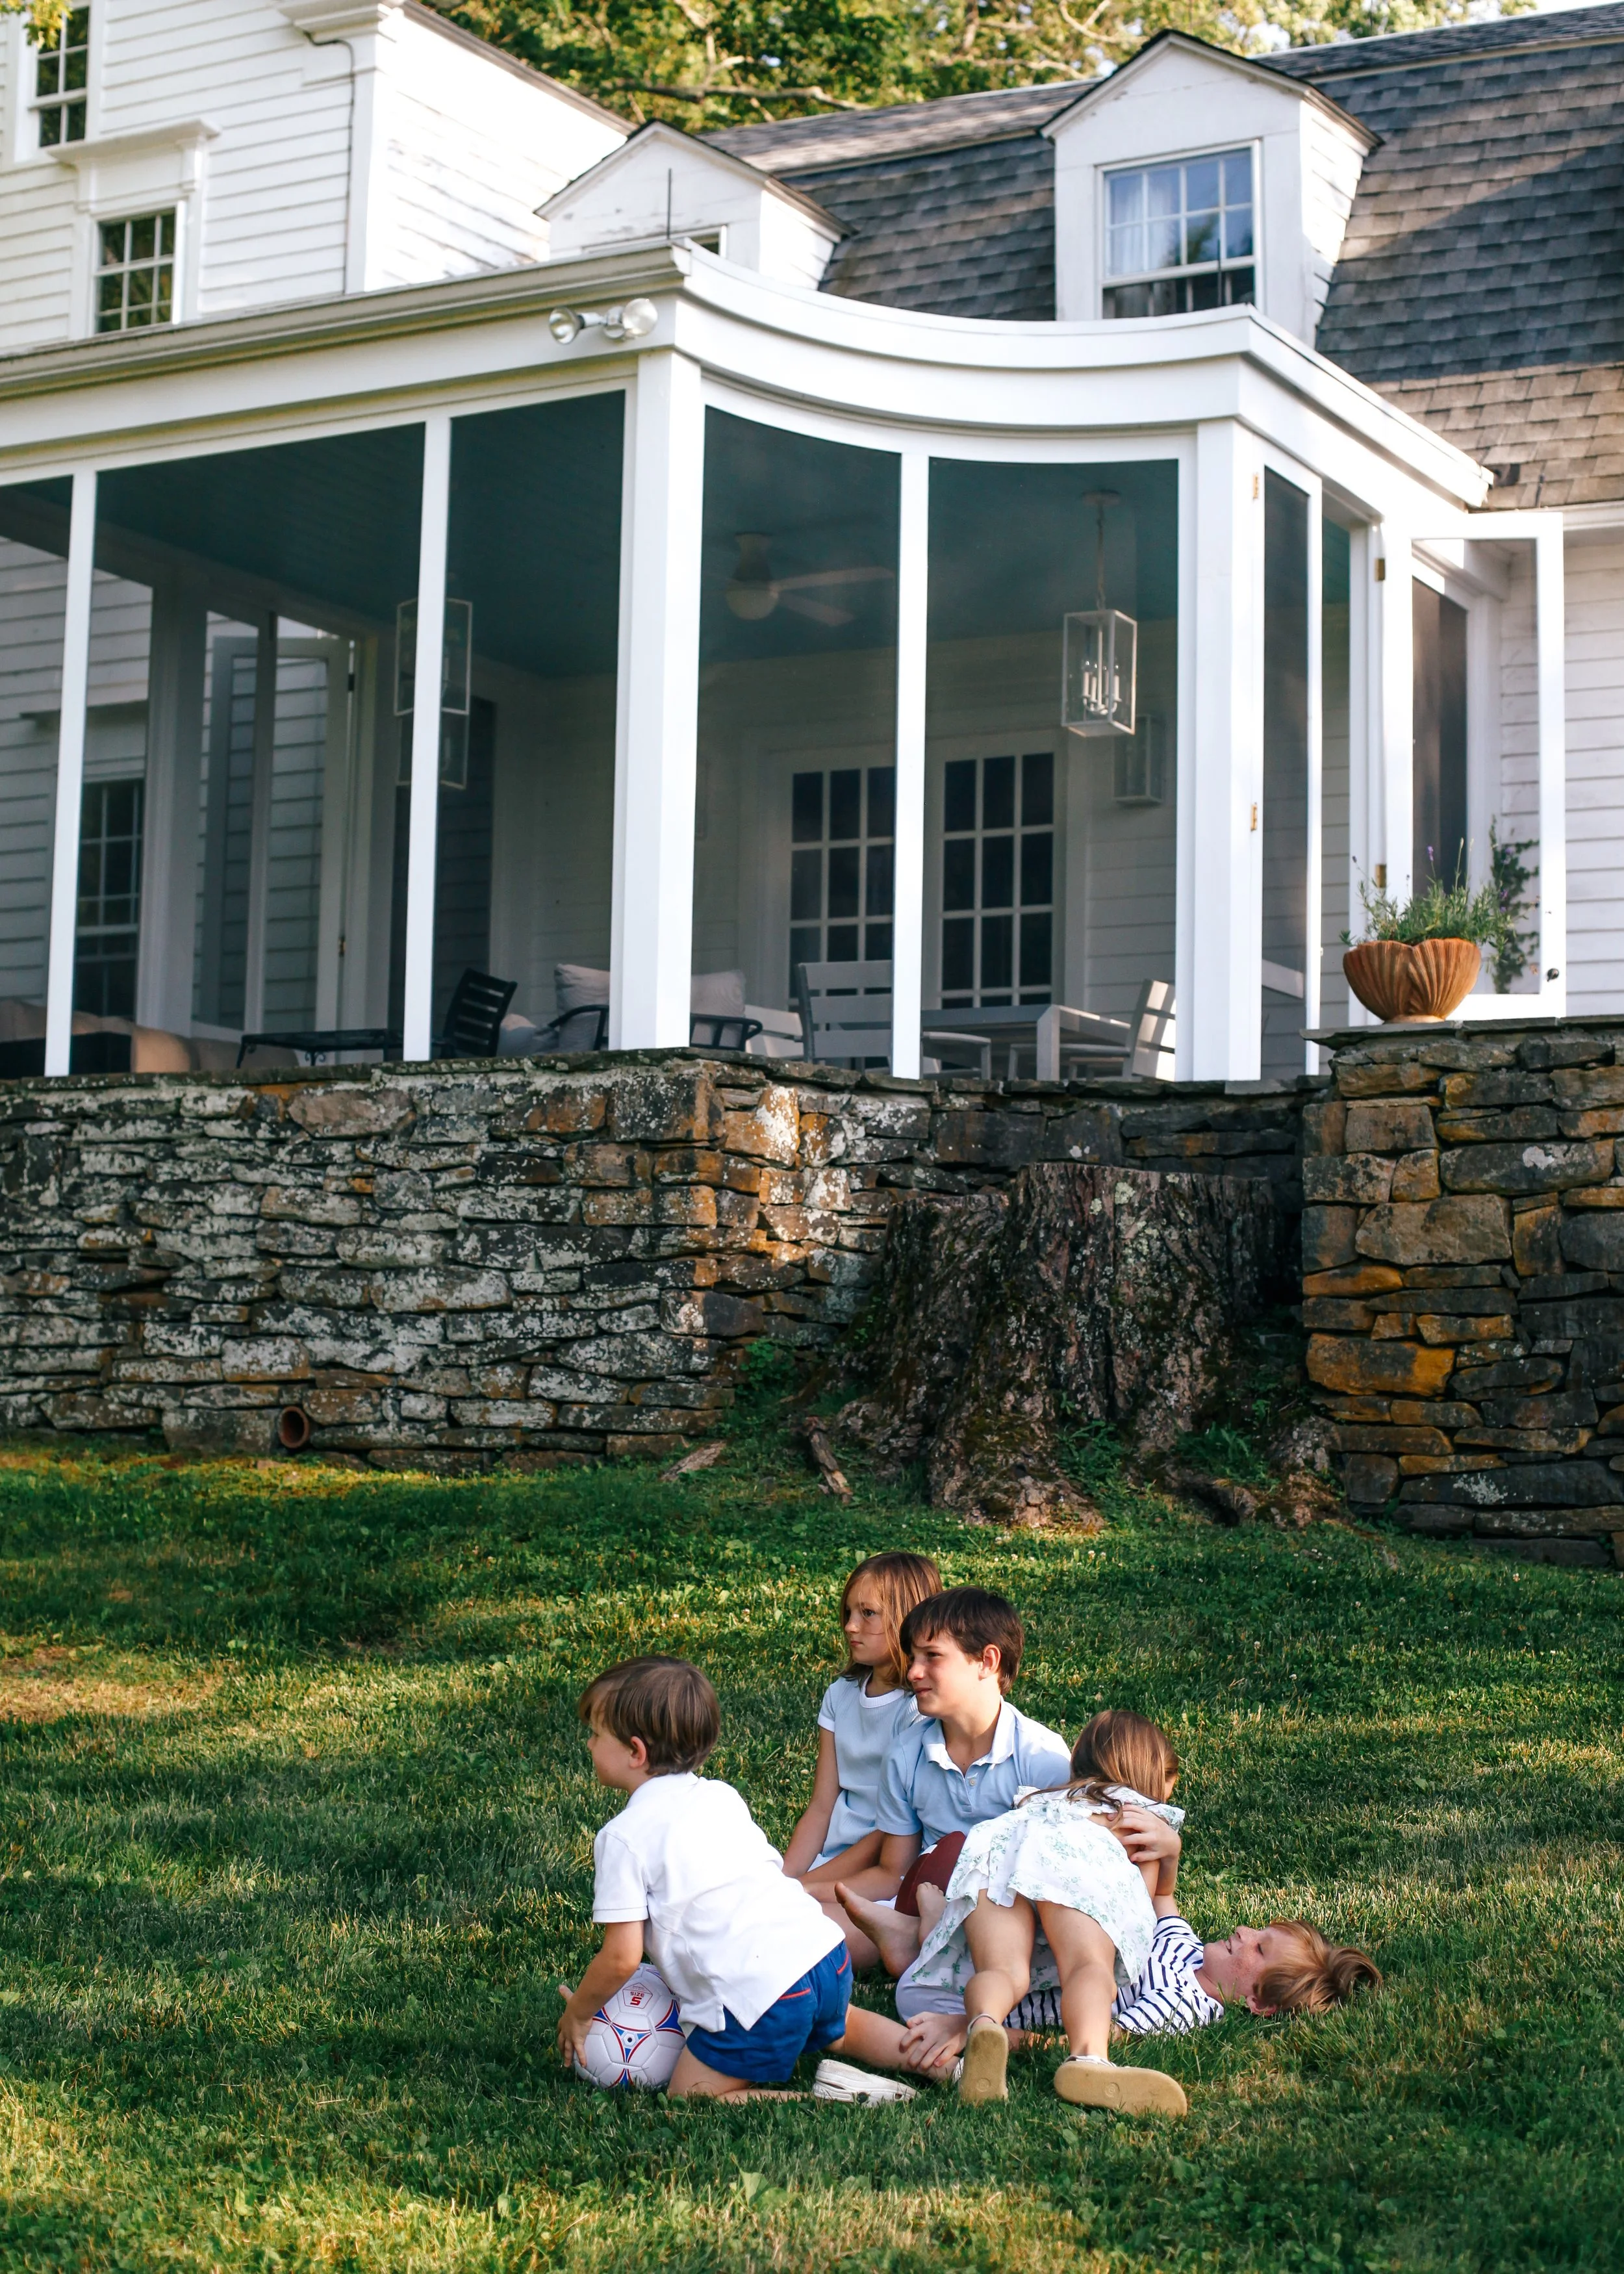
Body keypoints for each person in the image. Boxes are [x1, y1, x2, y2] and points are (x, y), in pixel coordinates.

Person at [818, 1773, 1381, 2110]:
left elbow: (1108, 2024)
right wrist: (1172, 1849)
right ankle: (917, 1933)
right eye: (1261, 1931)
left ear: (1255, 2002)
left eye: (1258, 1951)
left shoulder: (1188, 2004)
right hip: (969, 1981)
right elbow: (1163, 1899)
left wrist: (974, 2033)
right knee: (1019, 1941)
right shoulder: (1185, 1948)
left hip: (961, 2001)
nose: (1245, 1933)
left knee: (1069, 1963)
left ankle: (938, 1957)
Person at [555, 1654, 915, 2101]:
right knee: (844, 2027)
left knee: (691, 2096)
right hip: (825, 1956)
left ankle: (834, 2099)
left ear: (635, 1752)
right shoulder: (720, 1796)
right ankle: (945, 2064)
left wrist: (581, 2014)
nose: (589, 1745)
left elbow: (622, 1957)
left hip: (762, 1994)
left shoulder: (624, 1838)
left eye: (595, 1734)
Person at [832, 1585, 1074, 1955]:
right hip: (924, 1897)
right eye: (913, 1657)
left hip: (1012, 1917)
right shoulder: (906, 1753)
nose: (913, 1672)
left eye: (932, 1656)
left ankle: (918, 1940)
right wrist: (797, 1891)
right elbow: (893, 1873)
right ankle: (917, 1936)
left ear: (988, 1661)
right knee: (801, 1924)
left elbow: (1061, 1879)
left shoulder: (1042, 1759)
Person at [780, 1553, 941, 1930]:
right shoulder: (841, 1694)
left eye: (868, 1613)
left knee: (799, 1933)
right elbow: (822, 1805)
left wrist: (803, 1888)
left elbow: (891, 1833)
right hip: (831, 1860)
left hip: (886, 1872)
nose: (852, 1626)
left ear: (907, 1618)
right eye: (849, 1612)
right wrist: (784, 1879)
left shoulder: (916, 1710)